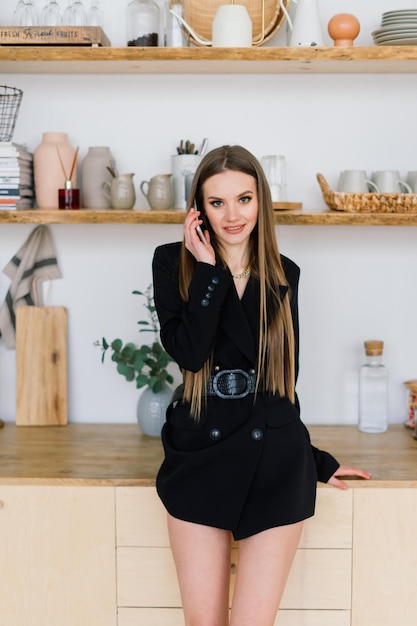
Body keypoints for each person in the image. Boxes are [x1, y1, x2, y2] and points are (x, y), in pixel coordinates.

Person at [152, 145, 370, 626]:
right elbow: (188, 352)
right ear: (199, 209)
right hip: (199, 456)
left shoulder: (283, 273)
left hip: (273, 459)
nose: (233, 215)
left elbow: (282, 384)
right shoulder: (174, 263)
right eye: (217, 202)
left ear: (261, 202)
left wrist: (314, 460)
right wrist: (210, 271)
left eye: (244, 199)